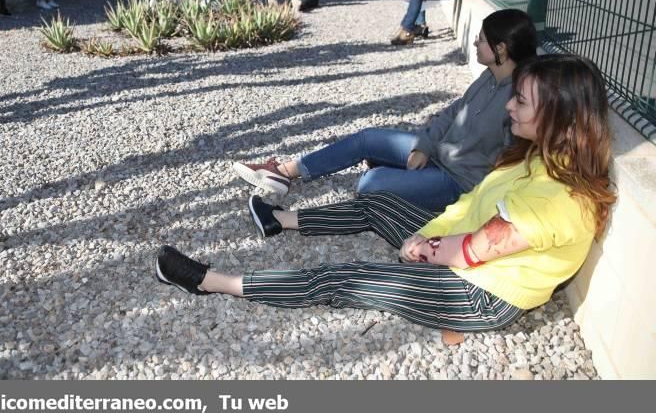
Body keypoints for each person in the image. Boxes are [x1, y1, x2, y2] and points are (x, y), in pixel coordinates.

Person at [156, 55, 616, 335]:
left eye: (523, 101)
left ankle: (214, 283)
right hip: (459, 250)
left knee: (345, 278)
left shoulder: (559, 196)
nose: (510, 106)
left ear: (561, 118)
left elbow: (474, 251)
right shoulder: (537, 156)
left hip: (481, 293)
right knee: (377, 204)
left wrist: (425, 248)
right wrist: (427, 235)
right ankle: (280, 219)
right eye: (514, 96)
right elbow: (467, 209)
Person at [233, 9, 538, 213]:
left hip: (456, 181)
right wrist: (424, 146)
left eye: (481, 39)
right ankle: (285, 172)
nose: (474, 42)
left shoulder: (522, 99)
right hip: (437, 154)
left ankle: (397, 176)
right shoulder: (489, 76)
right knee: (367, 138)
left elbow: (510, 165)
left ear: (501, 49)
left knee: (371, 184)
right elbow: (450, 114)